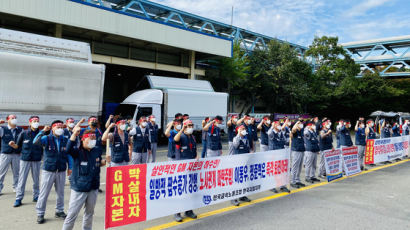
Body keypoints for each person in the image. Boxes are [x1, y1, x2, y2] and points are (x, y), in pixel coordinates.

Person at [62, 127, 106, 230]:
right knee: (72, 215)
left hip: (93, 187)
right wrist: (74, 135)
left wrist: (104, 162)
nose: (93, 141)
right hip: (80, 187)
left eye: (94, 138)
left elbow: (96, 163)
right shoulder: (78, 151)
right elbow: (67, 150)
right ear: (83, 139)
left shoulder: (96, 150)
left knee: (89, 213)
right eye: (90, 139)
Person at [34, 120, 69, 224]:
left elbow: (68, 154)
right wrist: (42, 131)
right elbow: (35, 142)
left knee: (60, 193)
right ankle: (40, 214)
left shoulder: (64, 139)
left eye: (61, 127)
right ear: (52, 128)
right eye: (58, 127)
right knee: (44, 193)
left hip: (61, 170)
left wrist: (70, 167)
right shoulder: (47, 138)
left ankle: (59, 211)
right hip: (48, 169)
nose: (60, 129)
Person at [13, 116, 43, 207]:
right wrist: (12, 145)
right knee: (22, 180)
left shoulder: (41, 134)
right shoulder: (24, 133)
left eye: (37, 121)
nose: (36, 122)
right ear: (30, 122)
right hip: (25, 160)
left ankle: (36, 196)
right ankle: (18, 198)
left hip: (36, 159)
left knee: (36, 180)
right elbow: (18, 146)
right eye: (34, 121)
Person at [172, 120, 198, 221]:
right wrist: (182, 129)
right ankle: (177, 212)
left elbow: (194, 149)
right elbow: (175, 139)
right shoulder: (181, 136)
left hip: (191, 167)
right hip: (182, 167)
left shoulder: (192, 137)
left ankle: (188, 210)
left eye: (192, 125)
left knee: (190, 190)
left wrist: (196, 156)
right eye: (188, 125)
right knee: (181, 190)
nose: (191, 127)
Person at [0, 114, 23, 195]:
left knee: (17, 173)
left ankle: (16, 187)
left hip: (16, 154)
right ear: (8, 119)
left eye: (15, 118)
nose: (14, 119)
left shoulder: (20, 129)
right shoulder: (3, 129)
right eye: (12, 118)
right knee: (1, 172)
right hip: (5, 154)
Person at [230, 125, 252, 206]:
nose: (244, 130)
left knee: (243, 179)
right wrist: (239, 134)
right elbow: (235, 145)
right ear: (238, 130)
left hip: (244, 162)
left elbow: (248, 148)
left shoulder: (246, 138)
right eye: (242, 129)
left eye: (244, 129)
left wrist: (250, 152)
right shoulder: (236, 138)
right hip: (237, 162)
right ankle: (233, 198)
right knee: (236, 181)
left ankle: (242, 195)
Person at [267, 121, 291, 193]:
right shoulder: (271, 132)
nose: (279, 126)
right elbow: (269, 133)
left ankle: (282, 186)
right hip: (274, 153)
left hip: (281, 153)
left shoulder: (281, 133)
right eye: (277, 125)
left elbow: (285, 141)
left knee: (281, 170)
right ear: (274, 125)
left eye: (279, 124)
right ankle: (271, 186)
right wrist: (272, 126)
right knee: (273, 170)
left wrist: (290, 139)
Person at [290, 119, 306, 188]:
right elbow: (293, 130)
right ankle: (292, 181)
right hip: (296, 150)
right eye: (299, 123)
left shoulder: (302, 131)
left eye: (301, 123)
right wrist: (297, 123)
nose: (301, 124)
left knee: (299, 166)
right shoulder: (295, 131)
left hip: (301, 150)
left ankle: (297, 180)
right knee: (295, 166)